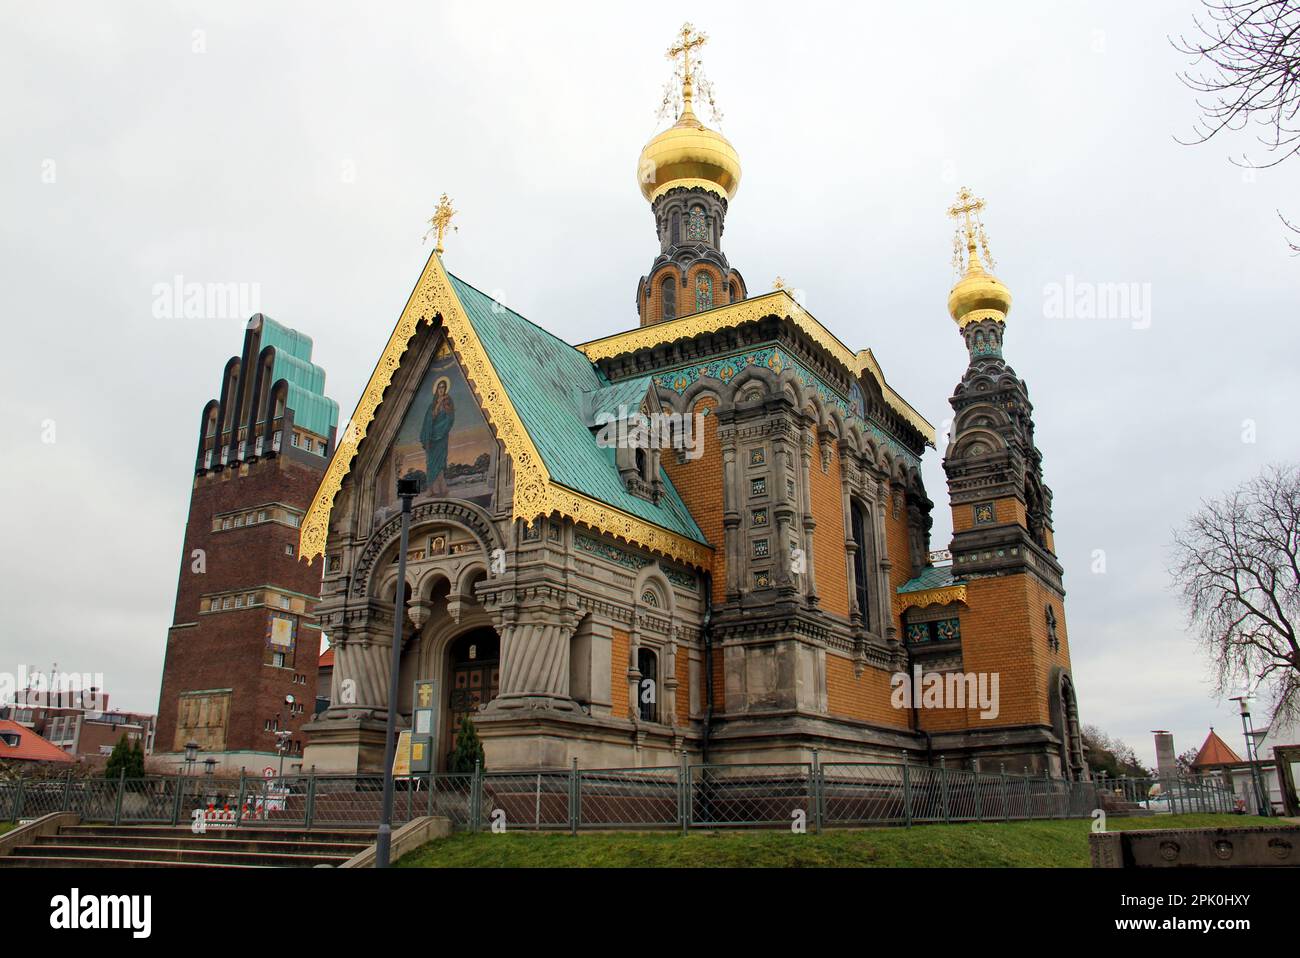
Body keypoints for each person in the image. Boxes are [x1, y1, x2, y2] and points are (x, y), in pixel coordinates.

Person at [419, 376, 454, 497]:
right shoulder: (432, 405)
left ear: (445, 389)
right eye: (439, 387)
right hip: (432, 439)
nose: (441, 389)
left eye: (443, 387)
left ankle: (441, 488)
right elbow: (428, 420)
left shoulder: (447, 402)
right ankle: (431, 488)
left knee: (439, 463)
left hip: (441, 438)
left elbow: (450, 418)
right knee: (430, 463)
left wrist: (440, 430)